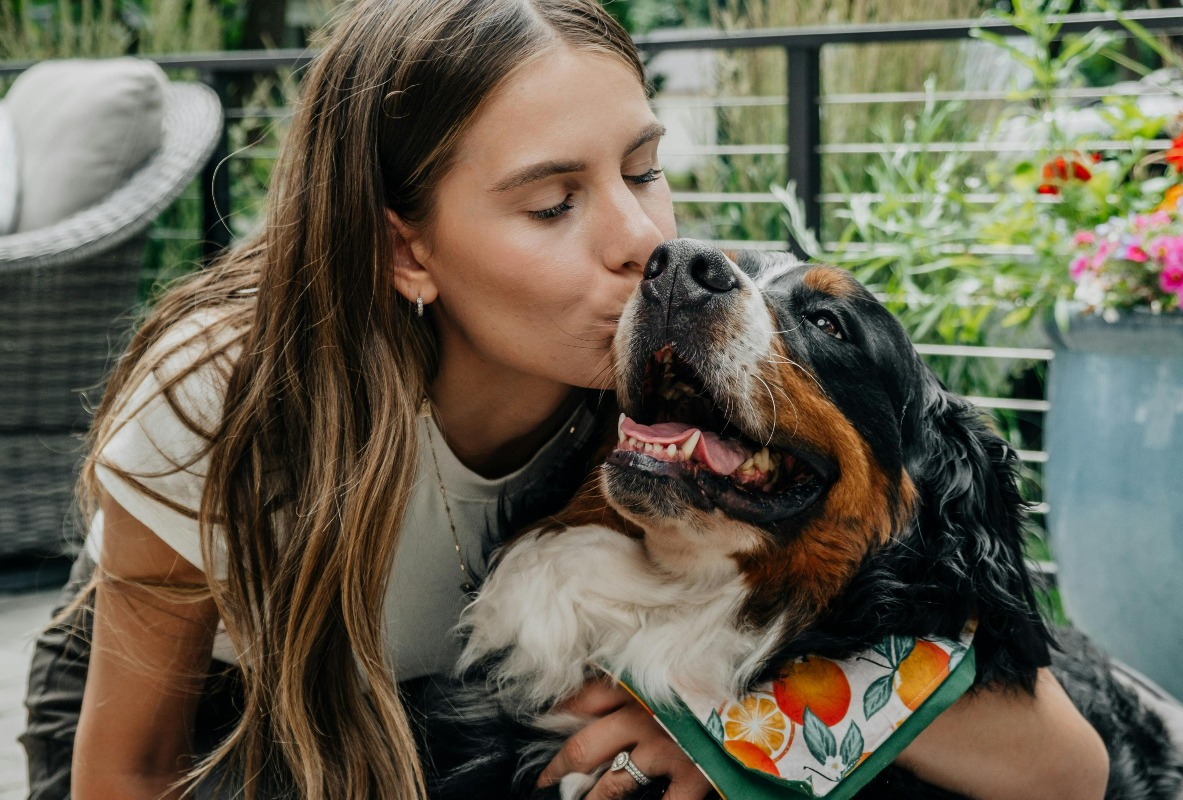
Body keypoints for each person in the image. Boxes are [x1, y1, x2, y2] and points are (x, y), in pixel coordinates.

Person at [20, 1, 1116, 799]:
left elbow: (1063, 764)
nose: (645, 243)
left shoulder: (651, 389)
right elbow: (127, 772)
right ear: (407, 250)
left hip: (451, 721)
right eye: (553, 203)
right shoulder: (226, 393)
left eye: (642, 170)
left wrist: (737, 730)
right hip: (218, 720)